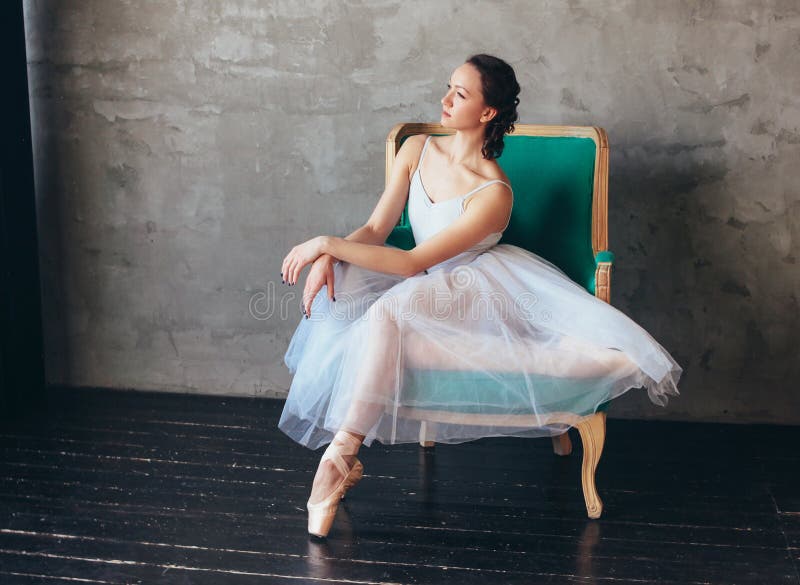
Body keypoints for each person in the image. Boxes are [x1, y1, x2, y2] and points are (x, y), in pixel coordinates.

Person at [278, 54, 682, 538]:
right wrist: (332, 258)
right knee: (343, 287)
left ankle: (339, 457)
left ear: (488, 112)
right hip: (419, 282)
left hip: (471, 291)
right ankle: (341, 460)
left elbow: (412, 262)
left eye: (461, 94)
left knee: (387, 311)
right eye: (448, 87)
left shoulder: (494, 193)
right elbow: (376, 228)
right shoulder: (416, 149)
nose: (445, 101)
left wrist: (323, 242)